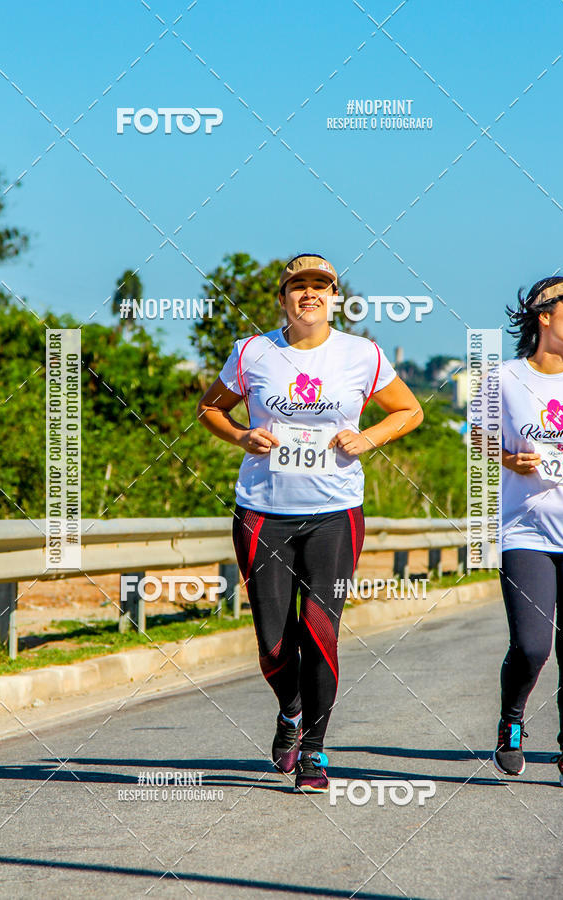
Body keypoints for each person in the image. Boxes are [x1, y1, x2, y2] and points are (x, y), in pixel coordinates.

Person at [197, 253, 423, 792]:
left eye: (321, 286)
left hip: (335, 514)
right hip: (261, 511)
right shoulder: (252, 352)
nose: (310, 295)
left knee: (321, 632)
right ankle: (291, 709)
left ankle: (315, 751)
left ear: (334, 297)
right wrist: (241, 436)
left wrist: (368, 438)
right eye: (299, 287)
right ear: (282, 299)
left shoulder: (361, 354)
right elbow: (210, 410)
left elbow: (409, 410)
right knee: (274, 645)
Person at [492, 276, 563, 787]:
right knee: (533, 646)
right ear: (545, 315)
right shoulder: (503, 379)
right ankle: (512, 719)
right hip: (527, 533)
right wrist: (507, 457)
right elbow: (477, 444)